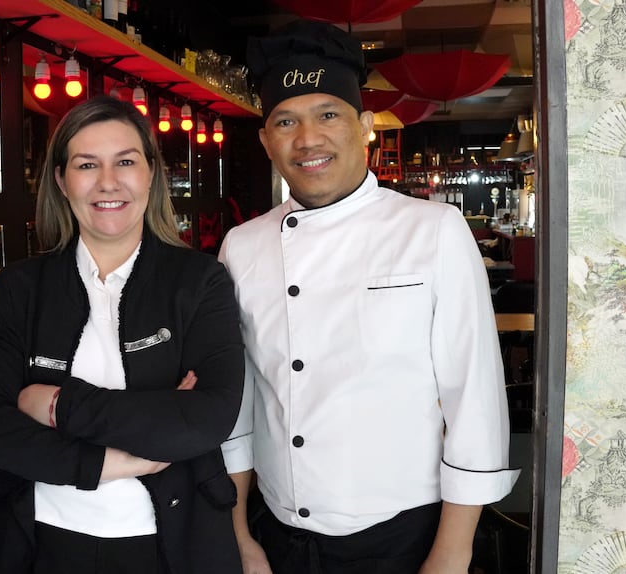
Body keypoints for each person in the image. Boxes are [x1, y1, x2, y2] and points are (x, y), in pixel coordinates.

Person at [218, 19, 521, 574]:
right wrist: (239, 534)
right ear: (265, 140)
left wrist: (451, 553)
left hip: (403, 537)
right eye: (285, 121)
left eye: (328, 115)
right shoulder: (242, 245)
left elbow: (474, 398)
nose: (307, 139)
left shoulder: (433, 230)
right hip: (276, 532)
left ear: (363, 127)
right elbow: (237, 404)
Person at [0, 95, 245, 574]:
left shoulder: (199, 281)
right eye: (87, 164)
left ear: (151, 174)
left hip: (172, 546)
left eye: (126, 162)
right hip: (41, 544)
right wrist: (116, 463)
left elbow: (208, 417)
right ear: (61, 180)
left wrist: (54, 406)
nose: (108, 182)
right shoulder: (22, 287)